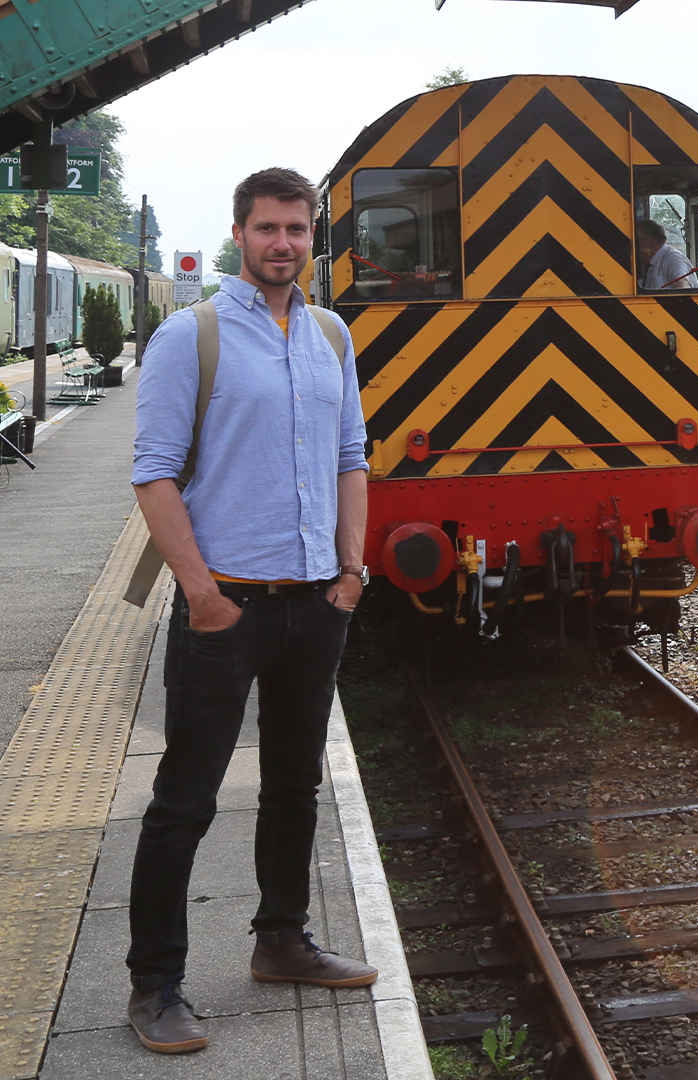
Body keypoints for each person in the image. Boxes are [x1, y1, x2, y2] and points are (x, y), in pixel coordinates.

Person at [125, 167, 376, 1055]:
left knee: (295, 787)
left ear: (315, 238)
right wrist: (200, 595)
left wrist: (352, 572)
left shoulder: (331, 336)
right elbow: (153, 471)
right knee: (183, 803)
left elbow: (352, 455)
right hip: (224, 608)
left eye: (298, 230)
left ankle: (281, 940)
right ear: (240, 232)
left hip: (317, 604)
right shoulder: (189, 337)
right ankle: (154, 986)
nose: (283, 244)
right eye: (268, 229)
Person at [638, 218, 696, 289]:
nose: (634, 244)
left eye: (639, 239)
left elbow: (684, 285)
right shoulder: (647, 265)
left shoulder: (673, 259)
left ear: (652, 239)